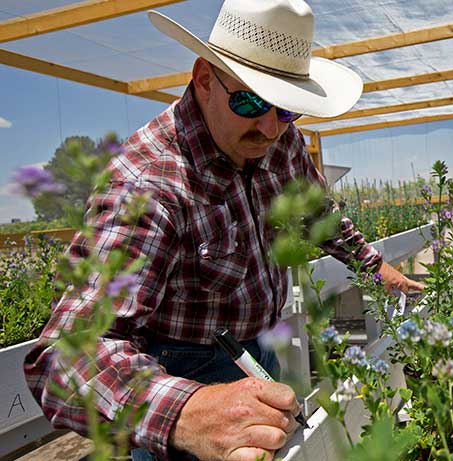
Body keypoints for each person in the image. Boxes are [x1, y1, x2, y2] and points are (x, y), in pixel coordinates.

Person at [23, 1, 424, 460]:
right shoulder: (149, 185)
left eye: (288, 109)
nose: (271, 128)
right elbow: (67, 358)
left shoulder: (277, 137)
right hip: (181, 370)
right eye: (251, 101)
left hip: (260, 349)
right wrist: (186, 411)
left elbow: (318, 215)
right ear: (204, 78)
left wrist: (375, 268)